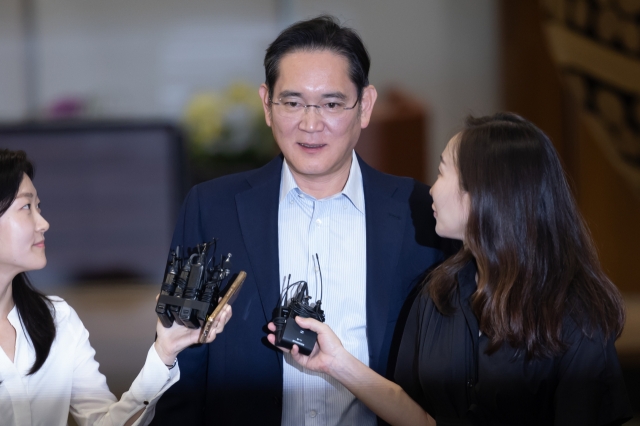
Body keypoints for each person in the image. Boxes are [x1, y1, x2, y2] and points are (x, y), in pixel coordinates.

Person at [151, 15, 446, 426]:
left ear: (365, 105)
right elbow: (181, 363)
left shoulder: (420, 212)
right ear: (266, 104)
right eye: (292, 103)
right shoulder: (211, 208)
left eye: (331, 103)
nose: (310, 124)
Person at [270, 112, 634, 425]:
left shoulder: (573, 312)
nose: (432, 189)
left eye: (443, 172)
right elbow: (418, 416)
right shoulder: (438, 292)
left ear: (485, 194)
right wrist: (336, 363)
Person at [0, 149, 232, 426]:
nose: (43, 223)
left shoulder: (56, 320)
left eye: (39, 207)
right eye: (26, 207)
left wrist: (165, 351)